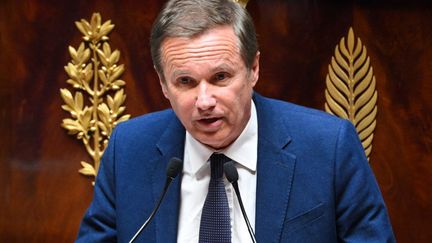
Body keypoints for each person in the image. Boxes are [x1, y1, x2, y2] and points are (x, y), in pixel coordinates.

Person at [76, 0, 395, 242]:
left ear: (253, 69)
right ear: (163, 84)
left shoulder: (329, 147)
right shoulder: (128, 149)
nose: (204, 102)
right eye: (185, 82)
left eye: (220, 77)